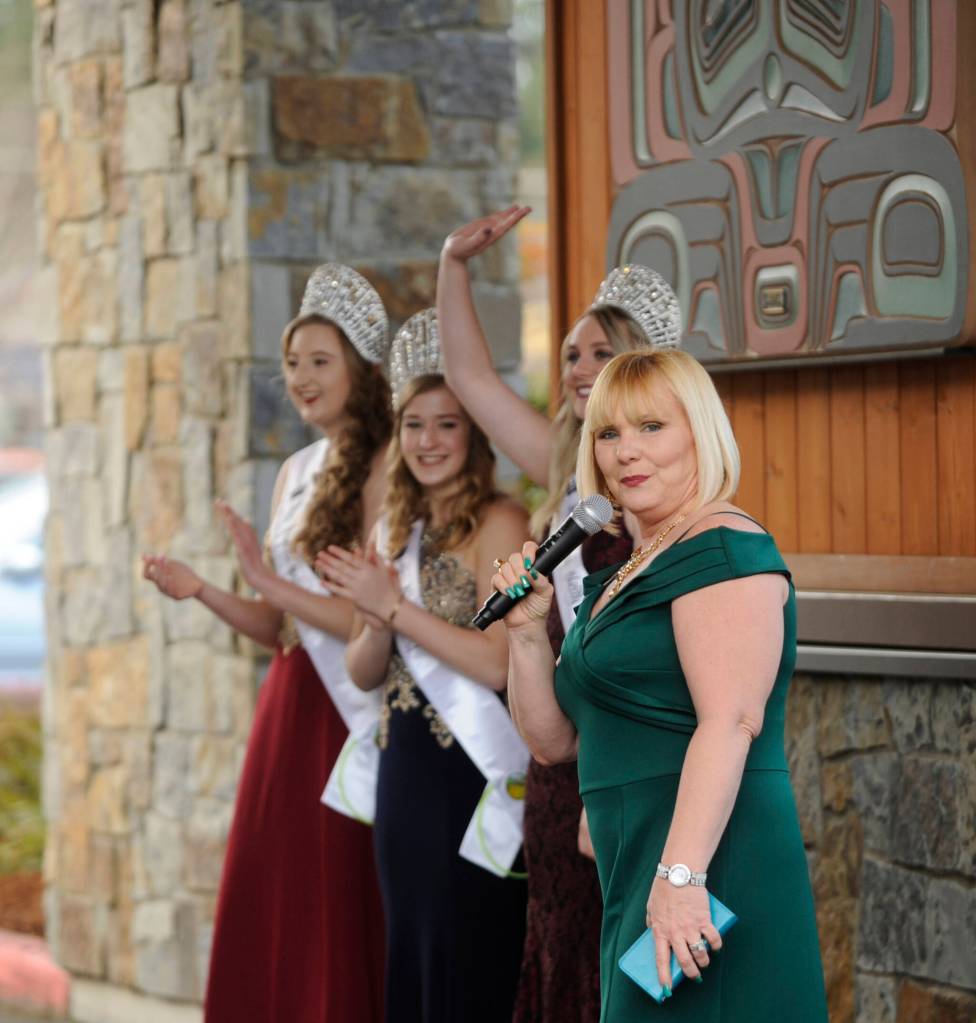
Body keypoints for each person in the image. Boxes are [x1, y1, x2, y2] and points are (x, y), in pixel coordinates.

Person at [492, 348, 829, 1021]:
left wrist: (680, 878)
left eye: (652, 427)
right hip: (642, 870)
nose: (625, 452)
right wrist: (528, 632)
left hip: (709, 867)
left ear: (699, 430)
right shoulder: (625, 569)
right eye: (609, 433)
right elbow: (554, 740)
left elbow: (731, 719)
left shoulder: (722, 547)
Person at [437, 206, 682, 1021]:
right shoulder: (558, 466)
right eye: (572, 353)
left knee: (623, 966)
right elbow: (471, 381)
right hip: (554, 765)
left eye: (601, 352)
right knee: (559, 946)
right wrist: (453, 265)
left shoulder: (663, 488)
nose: (581, 367)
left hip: (624, 760)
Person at [142, 264, 391, 1023]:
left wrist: (264, 576)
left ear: (359, 368)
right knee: (275, 892)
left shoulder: (388, 466)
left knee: (338, 898)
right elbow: (280, 624)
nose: (302, 378)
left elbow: (364, 621)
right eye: (292, 364)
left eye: (320, 361)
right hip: (286, 705)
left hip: (347, 709)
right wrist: (209, 590)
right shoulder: (293, 470)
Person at [317, 308, 529, 1023]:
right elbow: (364, 669)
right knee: (411, 946)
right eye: (415, 424)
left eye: (447, 423)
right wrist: (376, 615)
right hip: (405, 771)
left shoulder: (499, 521)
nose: (429, 441)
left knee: (468, 954)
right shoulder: (394, 528)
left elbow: (500, 661)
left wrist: (398, 610)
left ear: (472, 433)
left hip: (471, 777)